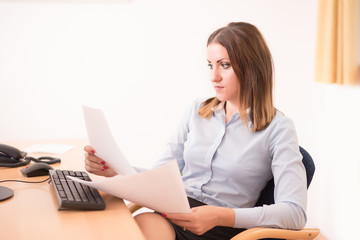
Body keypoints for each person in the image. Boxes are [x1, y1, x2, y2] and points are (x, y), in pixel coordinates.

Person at [84, 22, 307, 240]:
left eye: (225, 65)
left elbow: (294, 213)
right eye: (210, 65)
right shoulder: (197, 111)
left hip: (222, 227)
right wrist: (117, 171)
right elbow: (159, 176)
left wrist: (221, 216)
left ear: (252, 67)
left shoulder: (279, 128)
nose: (214, 77)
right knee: (128, 230)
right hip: (175, 213)